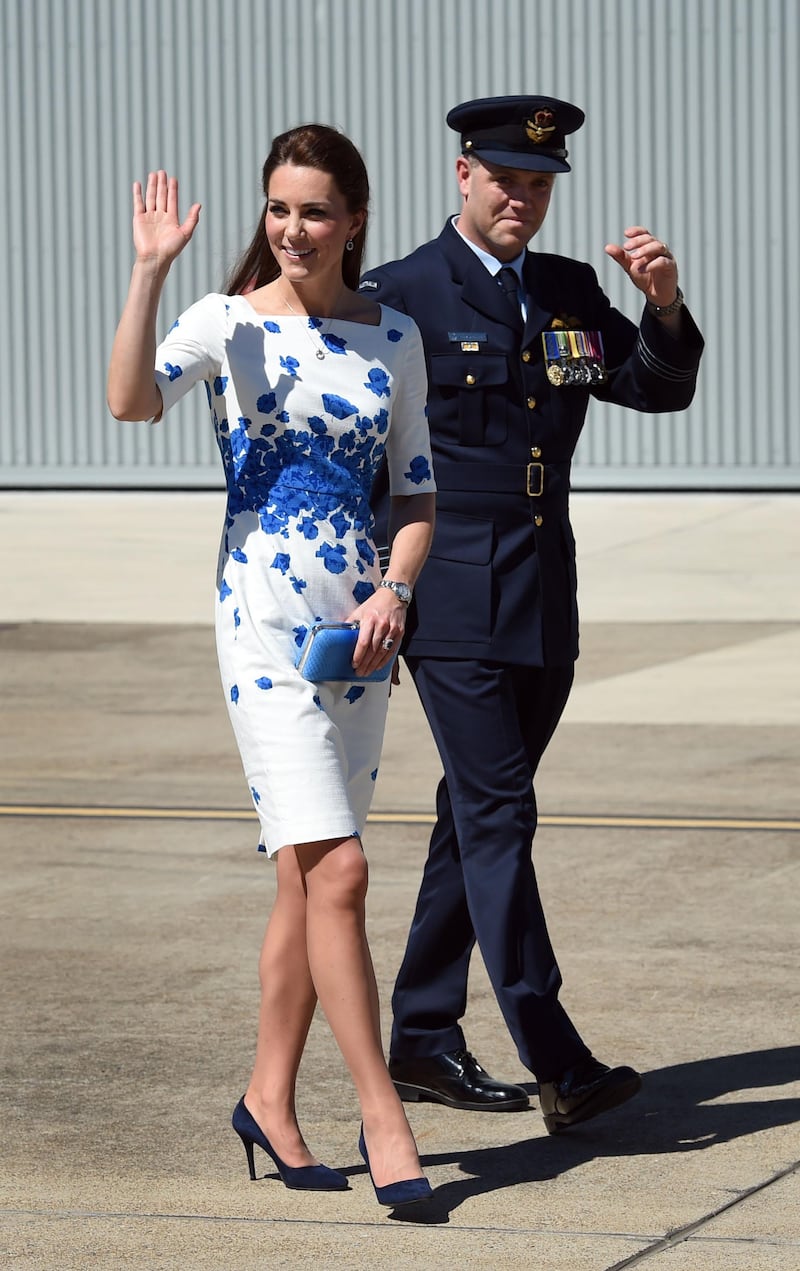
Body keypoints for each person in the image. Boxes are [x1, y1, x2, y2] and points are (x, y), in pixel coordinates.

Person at [107, 124, 437, 1206]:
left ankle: (267, 1096)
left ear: (353, 221)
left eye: (314, 212)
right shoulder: (227, 323)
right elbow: (130, 401)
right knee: (341, 871)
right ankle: (384, 1115)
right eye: (278, 209)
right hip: (256, 623)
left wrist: (395, 589)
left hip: (357, 633)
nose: (292, 230)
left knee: (304, 881)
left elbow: (418, 493)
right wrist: (151, 271)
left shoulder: (392, 337)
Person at [360, 95, 704, 1132]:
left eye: (539, 183)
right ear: (461, 174)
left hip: (542, 593)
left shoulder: (565, 288)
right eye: (505, 177)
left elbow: (652, 388)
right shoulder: (399, 294)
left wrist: (662, 305)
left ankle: (420, 1036)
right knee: (501, 810)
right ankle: (556, 1056)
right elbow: (354, 448)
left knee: (473, 819)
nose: (522, 197)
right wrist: (373, 582)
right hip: (448, 589)